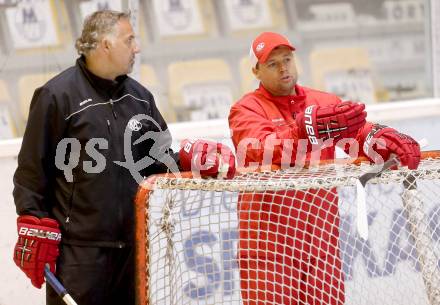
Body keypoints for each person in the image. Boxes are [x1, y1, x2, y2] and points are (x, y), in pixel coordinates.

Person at [12, 10, 235, 305]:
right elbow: (30, 174)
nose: (137, 48)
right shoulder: (56, 96)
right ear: (105, 44)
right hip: (80, 256)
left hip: (135, 250)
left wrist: (188, 160)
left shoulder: (141, 98)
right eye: (129, 40)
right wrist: (34, 222)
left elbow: (159, 162)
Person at [228, 32, 421, 305]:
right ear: (255, 71)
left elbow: (358, 133)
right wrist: (303, 131)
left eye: (287, 59)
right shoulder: (246, 109)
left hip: (321, 244)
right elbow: (261, 147)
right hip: (268, 248)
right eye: (272, 64)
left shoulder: (323, 102)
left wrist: (381, 138)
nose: (284, 67)